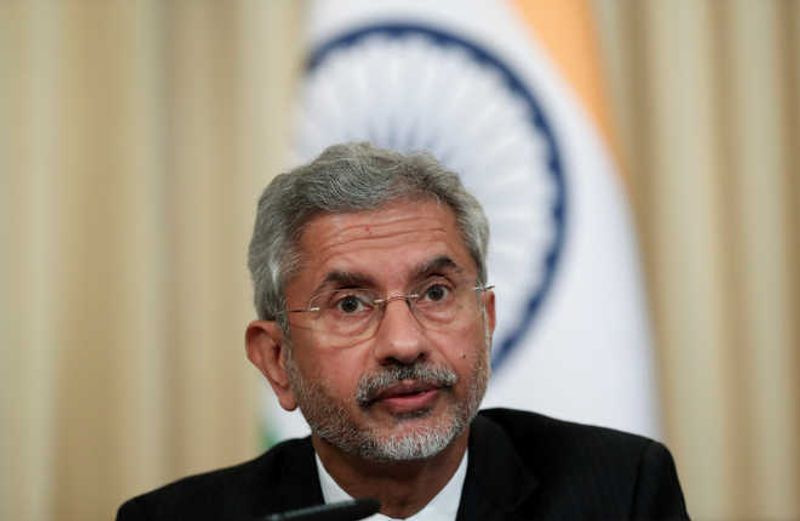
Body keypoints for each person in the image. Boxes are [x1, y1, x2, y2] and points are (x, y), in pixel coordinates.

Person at [117, 142, 689, 520]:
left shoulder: (621, 492)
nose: (404, 344)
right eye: (349, 304)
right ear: (276, 359)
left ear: (486, 321)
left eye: (435, 293)